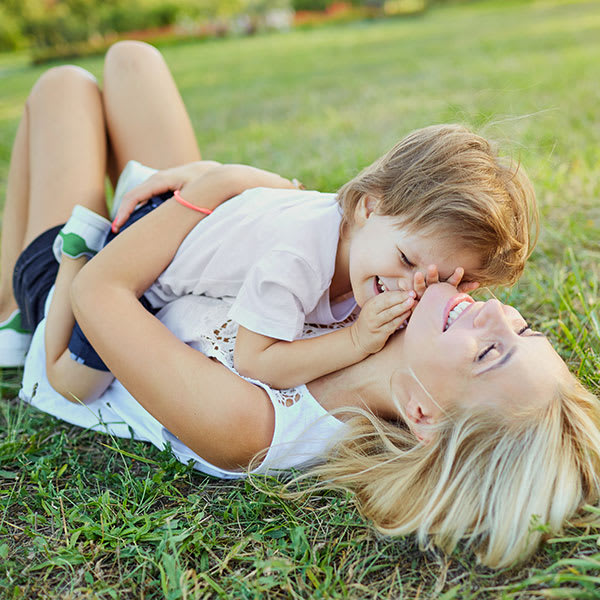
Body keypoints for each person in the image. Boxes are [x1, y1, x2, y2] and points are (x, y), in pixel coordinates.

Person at [3, 41, 600, 570]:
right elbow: (329, 224)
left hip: (86, 288)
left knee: (64, 90)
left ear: (422, 414)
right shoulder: (397, 301)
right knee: (136, 61)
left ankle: (8, 308)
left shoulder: (249, 425)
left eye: (493, 352)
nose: (497, 312)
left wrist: (207, 190)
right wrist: (218, 183)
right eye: (525, 329)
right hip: (191, 247)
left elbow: (98, 293)